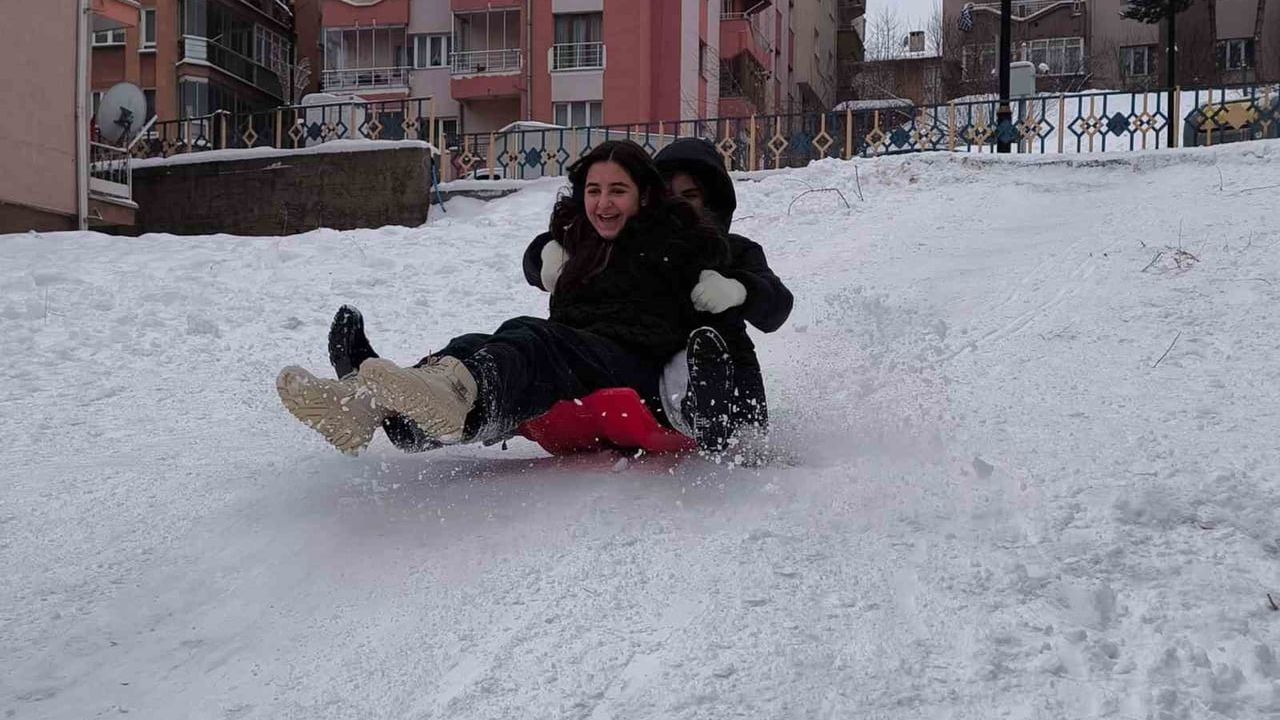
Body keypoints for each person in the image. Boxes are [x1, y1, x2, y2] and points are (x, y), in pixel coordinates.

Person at [278, 140, 730, 456]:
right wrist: (546, 252)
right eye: (594, 191)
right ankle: (367, 405)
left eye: (618, 191)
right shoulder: (580, 238)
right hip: (577, 353)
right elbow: (537, 256)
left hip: (637, 365)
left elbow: (754, 293)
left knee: (529, 337)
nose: (603, 203)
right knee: (474, 342)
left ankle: (452, 396)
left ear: (645, 197)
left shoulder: (678, 241)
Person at [526, 137, 792, 447]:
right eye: (669, 195)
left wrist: (740, 290)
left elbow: (777, 305)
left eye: (690, 196)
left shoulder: (733, 250)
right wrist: (546, 252)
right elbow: (571, 238)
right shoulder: (637, 242)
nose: (679, 205)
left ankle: (722, 421)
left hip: (730, 380)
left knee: (707, 346)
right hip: (658, 374)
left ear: (712, 202)